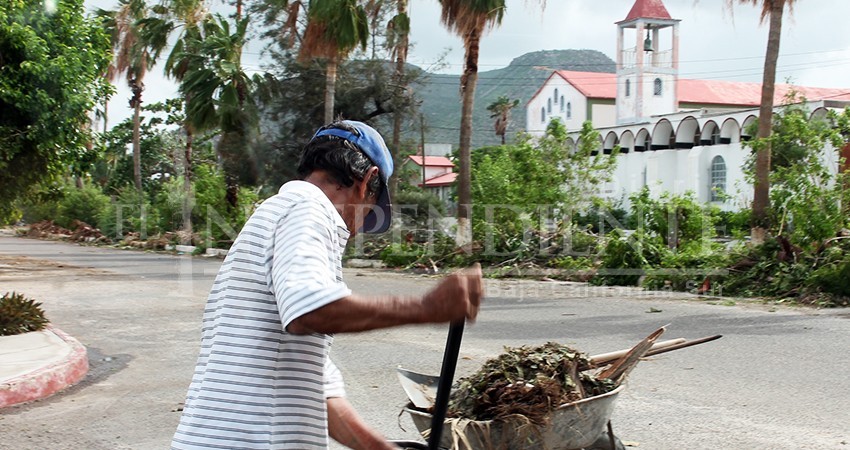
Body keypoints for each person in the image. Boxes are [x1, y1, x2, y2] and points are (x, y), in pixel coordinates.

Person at [171, 120, 483, 450]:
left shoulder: (278, 215)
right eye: (369, 212)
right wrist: (427, 308)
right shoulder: (310, 210)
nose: (358, 230)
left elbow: (321, 392)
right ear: (368, 180)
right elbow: (310, 311)